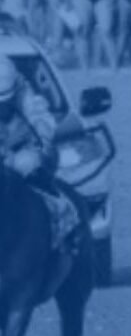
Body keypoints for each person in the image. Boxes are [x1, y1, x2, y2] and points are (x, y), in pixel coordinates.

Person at [0, 56, 80, 250]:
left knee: (30, 165)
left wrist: (40, 138)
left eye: (6, 101)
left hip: (19, 155)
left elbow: (41, 119)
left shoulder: (26, 94)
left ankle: (65, 229)